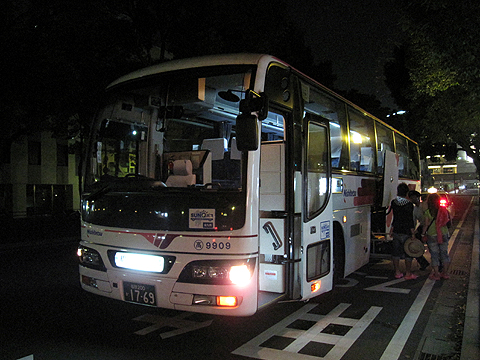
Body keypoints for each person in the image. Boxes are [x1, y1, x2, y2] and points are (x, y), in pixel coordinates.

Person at [389, 183, 417, 280]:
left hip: (396, 229)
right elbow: (410, 220)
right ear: (406, 192)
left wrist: (391, 228)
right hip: (406, 231)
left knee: (396, 253)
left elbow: (394, 217)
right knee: (408, 253)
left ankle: (397, 272)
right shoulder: (409, 205)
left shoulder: (393, 202)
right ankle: (408, 273)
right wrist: (413, 232)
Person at [423, 193, 451, 280]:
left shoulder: (428, 212)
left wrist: (423, 233)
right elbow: (449, 222)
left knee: (434, 255)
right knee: (444, 254)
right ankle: (445, 273)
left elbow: (426, 225)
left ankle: (436, 274)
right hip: (444, 234)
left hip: (432, 234)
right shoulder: (444, 210)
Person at [408, 190, 430, 270]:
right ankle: (423, 263)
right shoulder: (414, 209)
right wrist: (413, 231)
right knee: (414, 245)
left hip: (429, 226)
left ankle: (438, 265)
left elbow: (428, 218)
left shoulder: (424, 205)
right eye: (411, 198)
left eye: (414, 197)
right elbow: (414, 221)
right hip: (422, 227)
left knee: (432, 246)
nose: (413, 199)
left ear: (418, 197)